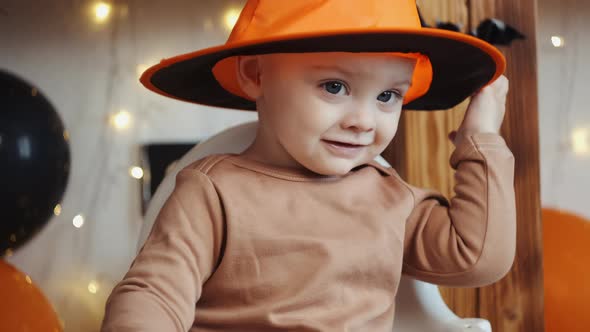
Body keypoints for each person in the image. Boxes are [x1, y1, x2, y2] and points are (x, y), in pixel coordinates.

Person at [101, 1, 516, 331]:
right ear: (254, 74)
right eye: (334, 86)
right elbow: (154, 295)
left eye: (388, 96)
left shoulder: (391, 197)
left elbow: (478, 257)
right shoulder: (213, 192)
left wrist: (480, 137)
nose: (364, 120)